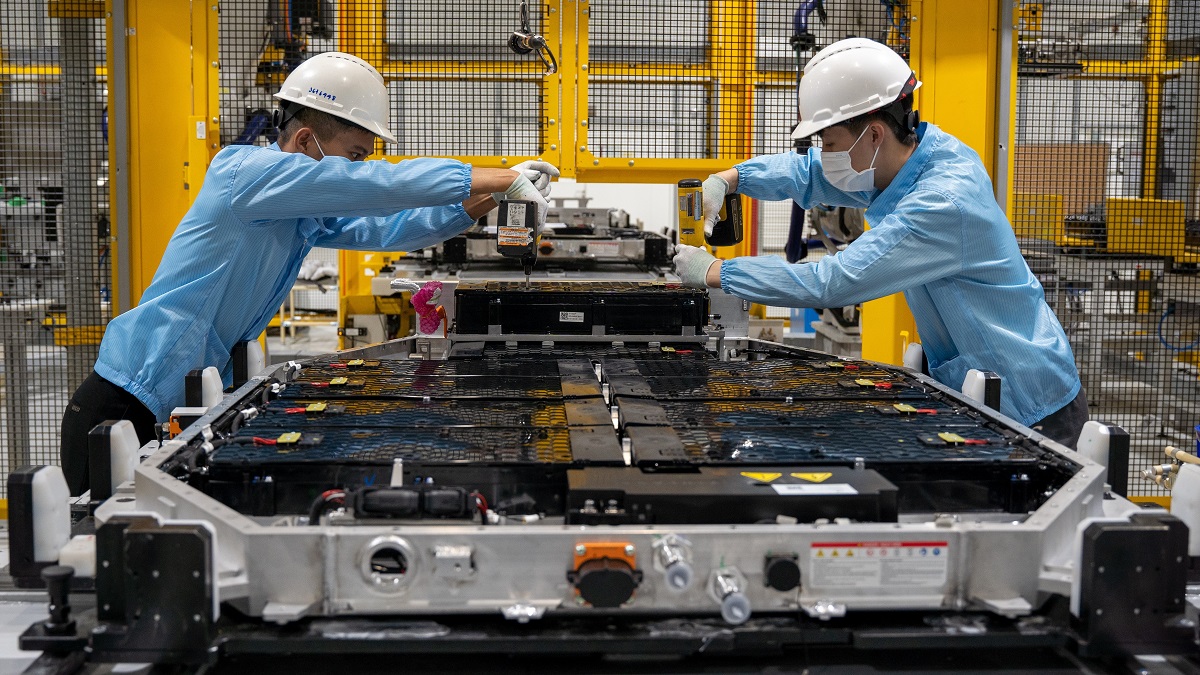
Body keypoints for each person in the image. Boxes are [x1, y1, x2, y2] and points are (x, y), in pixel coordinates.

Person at [60, 52, 559, 494]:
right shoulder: (244, 173)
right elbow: (378, 186)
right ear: (305, 139)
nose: (361, 167)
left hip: (189, 401)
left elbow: (387, 230)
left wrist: (489, 197)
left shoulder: (296, 211)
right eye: (356, 155)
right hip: (124, 407)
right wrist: (499, 175)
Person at [672, 38, 1087, 448]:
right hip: (979, 384)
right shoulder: (906, 161)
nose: (825, 155)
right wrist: (732, 179)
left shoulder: (941, 201)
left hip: (1030, 402)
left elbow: (833, 281)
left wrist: (715, 272)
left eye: (830, 144)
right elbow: (810, 174)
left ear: (873, 134)